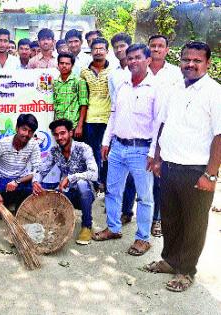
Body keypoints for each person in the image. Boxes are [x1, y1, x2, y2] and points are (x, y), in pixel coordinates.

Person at [144, 41, 221, 292]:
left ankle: (186, 271)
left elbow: (219, 136)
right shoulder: (175, 88)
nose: (190, 64)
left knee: (194, 223)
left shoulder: (215, 92)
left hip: (196, 169)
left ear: (207, 63)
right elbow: (163, 124)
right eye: (186, 59)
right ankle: (170, 259)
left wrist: (210, 174)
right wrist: (157, 157)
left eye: (197, 60)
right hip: (169, 166)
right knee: (171, 218)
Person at [95, 44, 162, 257]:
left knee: (144, 197)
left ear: (148, 60)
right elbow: (113, 114)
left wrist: (154, 154)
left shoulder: (156, 88)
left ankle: (143, 238)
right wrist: (107, 141)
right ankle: (113, 228)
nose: (133, 61)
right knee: (113, 191)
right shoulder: (122, 84)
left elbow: (159, 123)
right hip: (117, 147)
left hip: (141, 150)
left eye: (138, 57)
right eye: (130, 58)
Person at [33, 119, 97, 245]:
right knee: (48, 194)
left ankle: (87, 226)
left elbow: (94, 174)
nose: (59, 137)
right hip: (66, 193)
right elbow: (41, 171)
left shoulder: (84, 148)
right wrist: (36, 181)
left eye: (63, 133)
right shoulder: (54, 151)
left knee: (82, 183)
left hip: (86, 195)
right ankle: (63, 219)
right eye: (56, 134)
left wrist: (70, 177)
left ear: (71, 133)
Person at [147, 34, 184, 237]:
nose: (156, 49)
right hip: (140, 131)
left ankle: (158, 219)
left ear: (167, 50)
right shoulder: (138, 69)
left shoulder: (176, 74)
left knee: (159, 178)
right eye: (153, 46)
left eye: (161, 46)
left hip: (163, 132)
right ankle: (127, 213)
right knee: (136, 179)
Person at [0, 114, 41, 218]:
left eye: (31, 132)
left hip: (19, 180)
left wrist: (17, 181)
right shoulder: (1, 144)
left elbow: (37, 169)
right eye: (24, 129)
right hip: (1, 179)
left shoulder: (33, 145)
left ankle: (11, 203)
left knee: (37, 188)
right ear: (17, 128)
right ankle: (2, 199)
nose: (27, 134)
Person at [107, 32, 136, 225]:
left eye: (123, 45)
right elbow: (114, 104)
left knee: (133, 177)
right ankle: (114, 217)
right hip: (119, 128)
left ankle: (127, 210)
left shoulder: (140, 69)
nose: (119, 49)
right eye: (116, 47)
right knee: (115, 178)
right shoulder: (114, 73)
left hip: (138, 131)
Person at [80, 37, 112, 192]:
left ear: (107, 51)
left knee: (107, 152)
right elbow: (82, 97)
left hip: (108, 118)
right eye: (95, 49)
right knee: (92, 152)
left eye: (101, 48)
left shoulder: (114, 71)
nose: (98, 51)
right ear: (90, 51)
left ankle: (105, 181)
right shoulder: (84, 72)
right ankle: (95, 182)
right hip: (90, 118)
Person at [53, 53, 88, 140]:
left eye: (67, 64)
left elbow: (83, 104)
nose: (64, 66)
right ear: (58, 65)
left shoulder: (79, 81)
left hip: (74, 126)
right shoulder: (55, 82)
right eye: (61, 63)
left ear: (72, 65)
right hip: (59, 127)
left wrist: (80, 126)